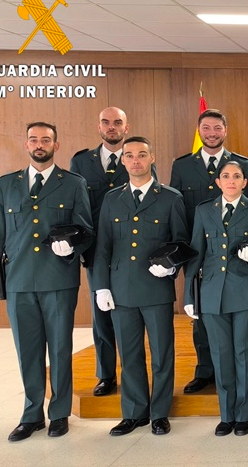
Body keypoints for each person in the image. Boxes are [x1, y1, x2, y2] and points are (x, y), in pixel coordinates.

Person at [0, 122, 93, 441]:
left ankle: (58, 413)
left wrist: (72, 246)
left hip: (58, 278)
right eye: (34, 139)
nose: (39, 144)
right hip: (18, 280)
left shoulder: (73, 183)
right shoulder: (6, 184)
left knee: (60, 347)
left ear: (56, 145)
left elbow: (86, 230)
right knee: (27, 350)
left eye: (46, 139)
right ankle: (32, 414)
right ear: (26, 144)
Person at [93, 136, 188, 437]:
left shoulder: (170, 198)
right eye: (130, 155)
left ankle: (159, 413)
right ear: (123, 161)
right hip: (121, 289)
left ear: (152, 158)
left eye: (142, 155)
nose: (136, 161)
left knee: (162, 353)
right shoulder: (111, 199)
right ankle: (134, 412)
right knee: (129, 353)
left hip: (156, 289)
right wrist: (101, 287)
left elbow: (181, 242)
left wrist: (171, 266)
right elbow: (103, 247)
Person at [70, 106, 156, 397]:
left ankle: (135, 375)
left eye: (117, 122)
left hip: (134, 253)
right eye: (106, 122)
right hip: (98, 250)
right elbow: (76, 207)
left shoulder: (138, 159)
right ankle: (106, 374)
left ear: (126, 127)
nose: (111, 127)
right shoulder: (82, 162)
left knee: (132, 315)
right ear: (99, 126)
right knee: (102, 315)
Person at [170, 108, 248, 394]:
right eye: (206, 127)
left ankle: (235, 376)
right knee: (202, 318)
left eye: (217, 127)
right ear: (199, 130)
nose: (211, 132)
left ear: (225, 131)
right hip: (199, 252)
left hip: (236, 256)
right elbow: (178, 210)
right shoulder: (182, 166)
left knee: (236, 322)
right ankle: (205, 369)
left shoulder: (242, 164)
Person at [184, 161, 248, 437]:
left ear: (245, 182)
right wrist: (189, 293)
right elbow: (196, 253)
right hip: (212, 293)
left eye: (237, 176)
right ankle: (226, 414)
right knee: (220, 356)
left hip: (247, 292)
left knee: (244, 354)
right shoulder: (203, 210)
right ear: (218, 182)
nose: (231, 180)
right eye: (226, 176)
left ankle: (243, 415)